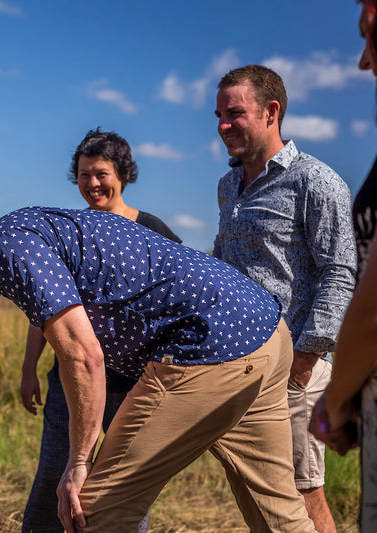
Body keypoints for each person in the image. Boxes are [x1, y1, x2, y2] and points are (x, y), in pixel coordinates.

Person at [0, 191, 316, 533]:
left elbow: (82, 354)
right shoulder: (26, 231)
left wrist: (78, 463)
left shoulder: (7, 245)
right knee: (279, 514)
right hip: (266, 335)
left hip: (210, 347)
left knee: (95, 510)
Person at [212, 64, 357, 533]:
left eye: (234, 113)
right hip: (242, 367)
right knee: (256, 492)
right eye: (218, 115)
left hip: (295, 370)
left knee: (301, 490)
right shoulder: (227, 186)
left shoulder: (316, 181)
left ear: (271, 112)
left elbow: (341, 271)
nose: (222, 126)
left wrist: (305, 359)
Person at [20, 129, 180, 533]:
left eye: (101, 173)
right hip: (70, 380)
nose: (93, 183)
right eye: (84, 174)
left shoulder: (152, 230)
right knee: (53, 478)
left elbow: (179, 297)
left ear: (123, 174)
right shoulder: (69, 231)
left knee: (122, 486)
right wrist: (28, 371)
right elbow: (44, 309)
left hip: (133, 384)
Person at [310, 1, 377, 530]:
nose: (362, 61)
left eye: (367, 33)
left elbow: (358, 293)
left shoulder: (316, 180)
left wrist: (332, 398)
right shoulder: (227, 188)